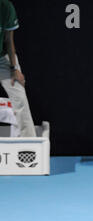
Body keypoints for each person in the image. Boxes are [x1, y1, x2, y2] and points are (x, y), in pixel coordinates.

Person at [0, 0, 36, 137]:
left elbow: (9, 40)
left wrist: (15, 68)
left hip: (2, 58)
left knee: (19, 98)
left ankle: (31, 147)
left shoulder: (5, 7)